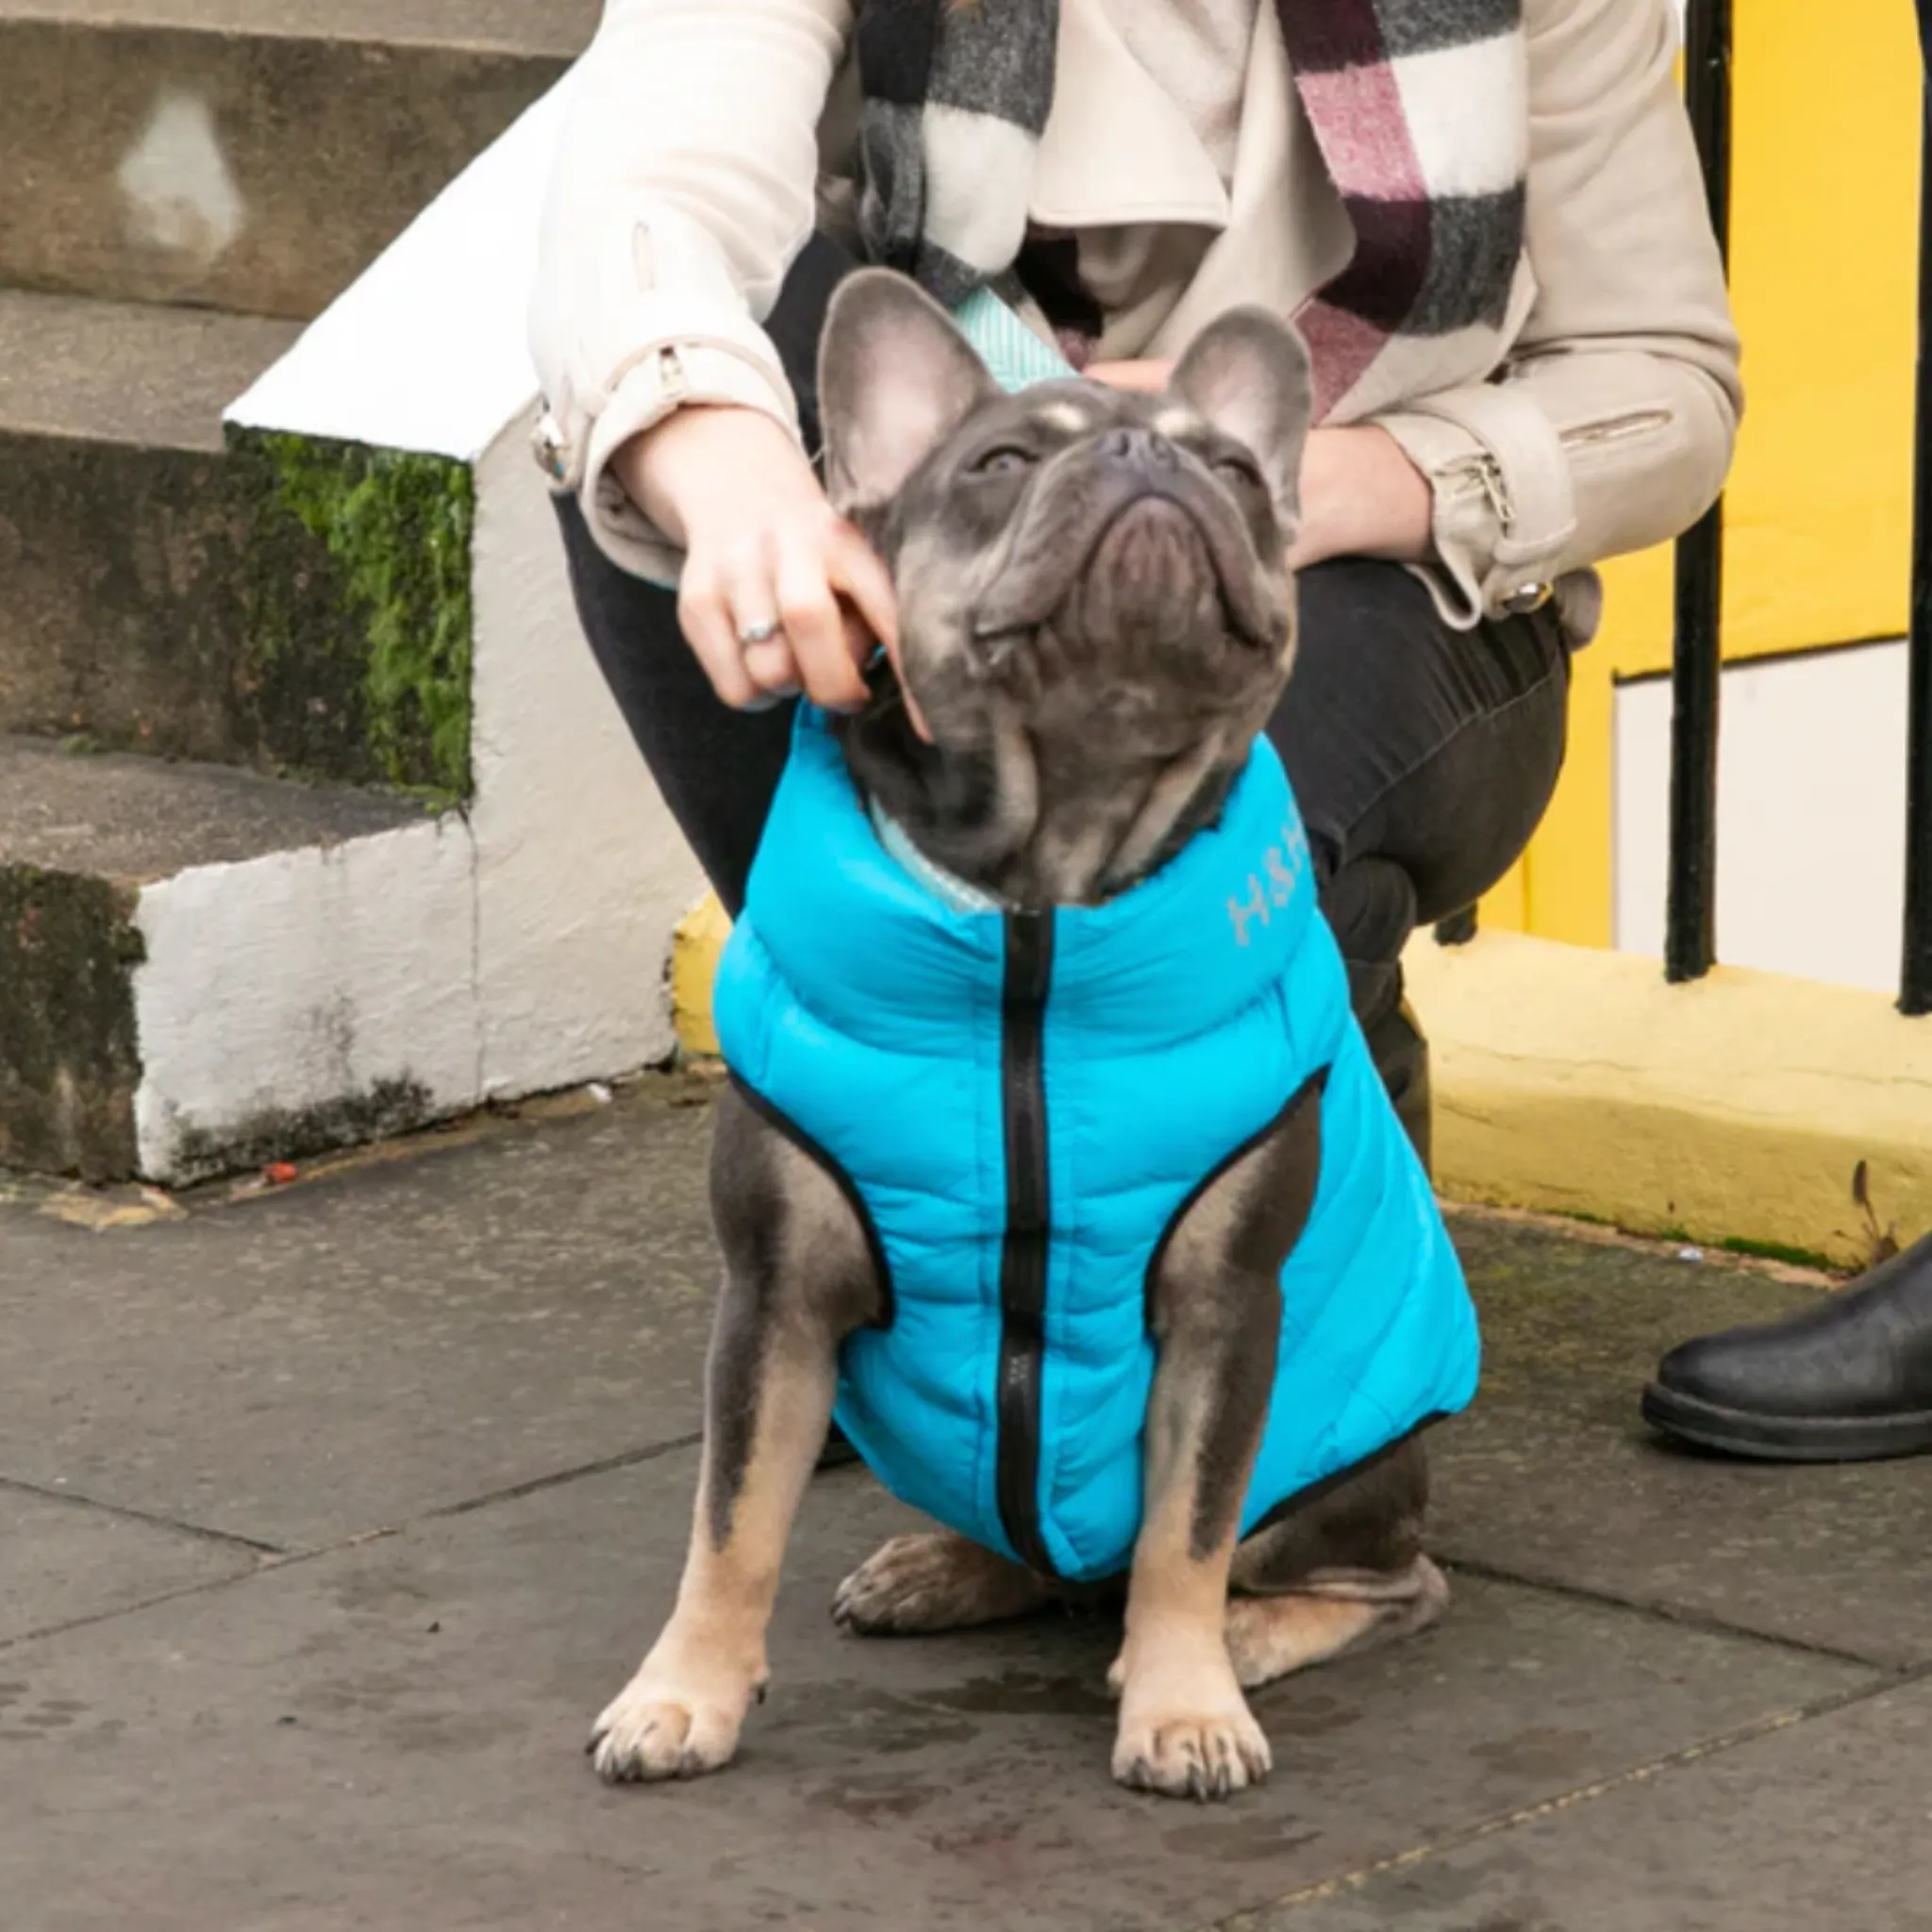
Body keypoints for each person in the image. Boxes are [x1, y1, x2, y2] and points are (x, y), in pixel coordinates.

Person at [528, 0, 1739, 1356]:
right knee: (650, 433)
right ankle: (894, 1195)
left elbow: (1665, 373)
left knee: (1247, 777)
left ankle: (1299, 1199)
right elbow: (647, 184)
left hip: (1357, 570)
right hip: (967, 536)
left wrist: (1295, 484)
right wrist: (731, 470)